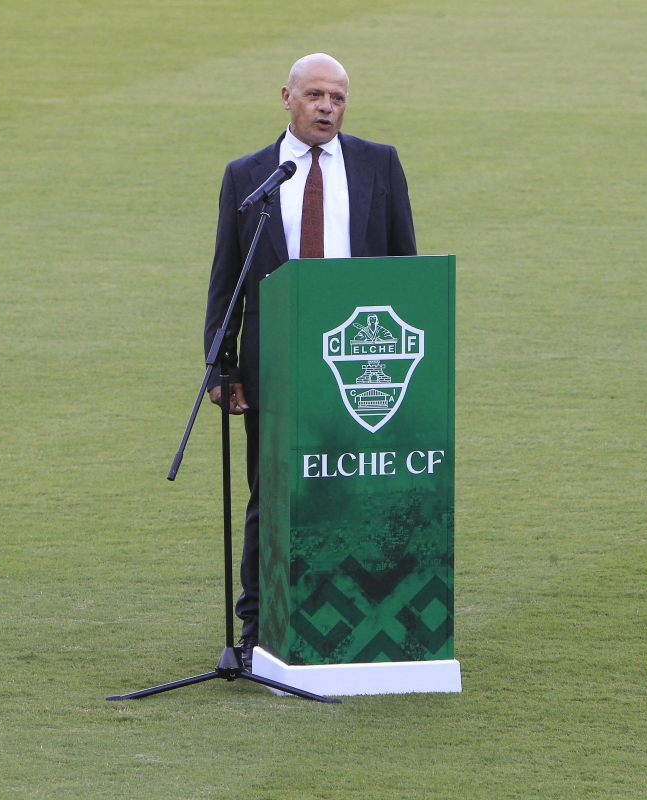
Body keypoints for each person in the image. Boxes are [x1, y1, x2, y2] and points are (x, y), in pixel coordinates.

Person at [202, 53, 416, 670]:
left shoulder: (379, 164)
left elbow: (407, 267)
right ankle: (257, 629)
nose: (328, 107)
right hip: (279, 366)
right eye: (317, 95)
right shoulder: (249, 177)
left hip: (363, 362)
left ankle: (369, 621)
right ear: (288, 98)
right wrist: (223, 366)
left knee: (362, 488)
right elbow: (227, 278)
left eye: (339, 98)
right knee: (272, 496)